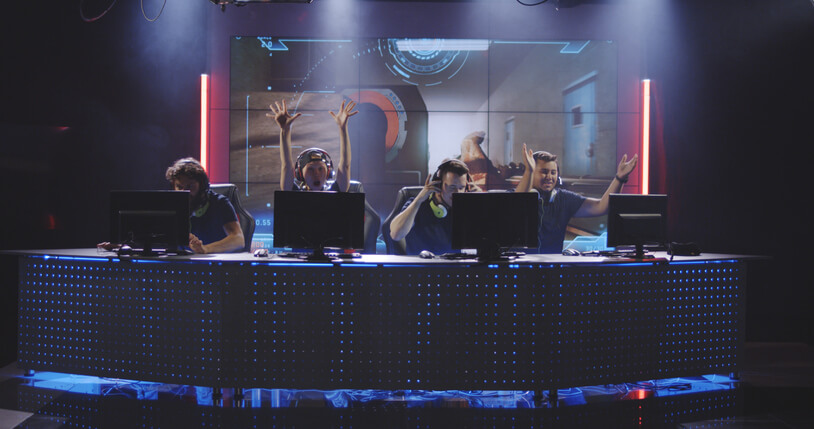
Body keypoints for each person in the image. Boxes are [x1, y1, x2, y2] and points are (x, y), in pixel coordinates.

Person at [515, 143, 638, 254]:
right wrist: (529, 171)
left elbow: (601, 207)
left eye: (553, 172)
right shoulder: (516, 194)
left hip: (553, 267)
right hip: (521, 266)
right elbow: (517, 204)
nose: (549, 177)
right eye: (544, 171)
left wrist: (620, 178)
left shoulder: (564, 198)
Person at [389, 159, 478, 255]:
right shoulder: (418, 205)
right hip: (422, 264)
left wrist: (481, 203)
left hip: (456, 264)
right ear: (438, 185)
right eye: (452, 187)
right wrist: (418, 200)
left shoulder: (465, 209)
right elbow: (396, 235)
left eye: (461, 187)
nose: (458, 193)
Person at [268, 98, 358, 192]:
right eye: (310, 169)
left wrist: (343, 127)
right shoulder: (292, 191)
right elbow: (286, 165)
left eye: (320, 168)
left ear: (328, 172)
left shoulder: (337, 190)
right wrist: (284, 130)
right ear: (300, 173)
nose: (316, 174)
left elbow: (345, 165)